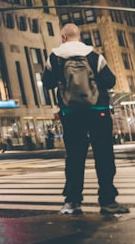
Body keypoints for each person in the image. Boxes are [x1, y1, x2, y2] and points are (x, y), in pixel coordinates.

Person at [43, 23, 129, 216]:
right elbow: (110, 81)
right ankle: (108, 200)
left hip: (71, 114)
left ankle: (73, 201)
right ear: (79, 36)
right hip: (98, 111)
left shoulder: (54, 57)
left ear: (63, 37)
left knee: (74, 156)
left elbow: (47, 83)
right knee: (104, 154)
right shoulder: (94, 56)